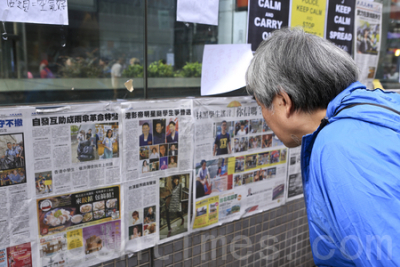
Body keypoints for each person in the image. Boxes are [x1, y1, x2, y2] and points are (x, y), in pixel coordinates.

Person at [246, 28, 400, 266]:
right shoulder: (379, 106)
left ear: (283, 101)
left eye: (261, 105)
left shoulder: (338, 146)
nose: (264, 116)